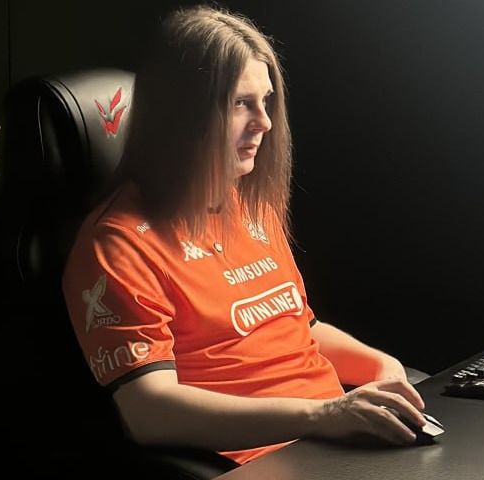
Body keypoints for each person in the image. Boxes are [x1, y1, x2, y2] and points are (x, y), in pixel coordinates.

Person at [62, 5, 426, 466]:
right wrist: (323, 416)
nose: (265, 122)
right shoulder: (117, 245)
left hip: (337, 440)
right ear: (182, 113)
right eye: (240, 103)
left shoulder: (247, 203)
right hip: (262, 458)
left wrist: (381, 368)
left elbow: (300, 329)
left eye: (265, 101)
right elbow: (147, 410)